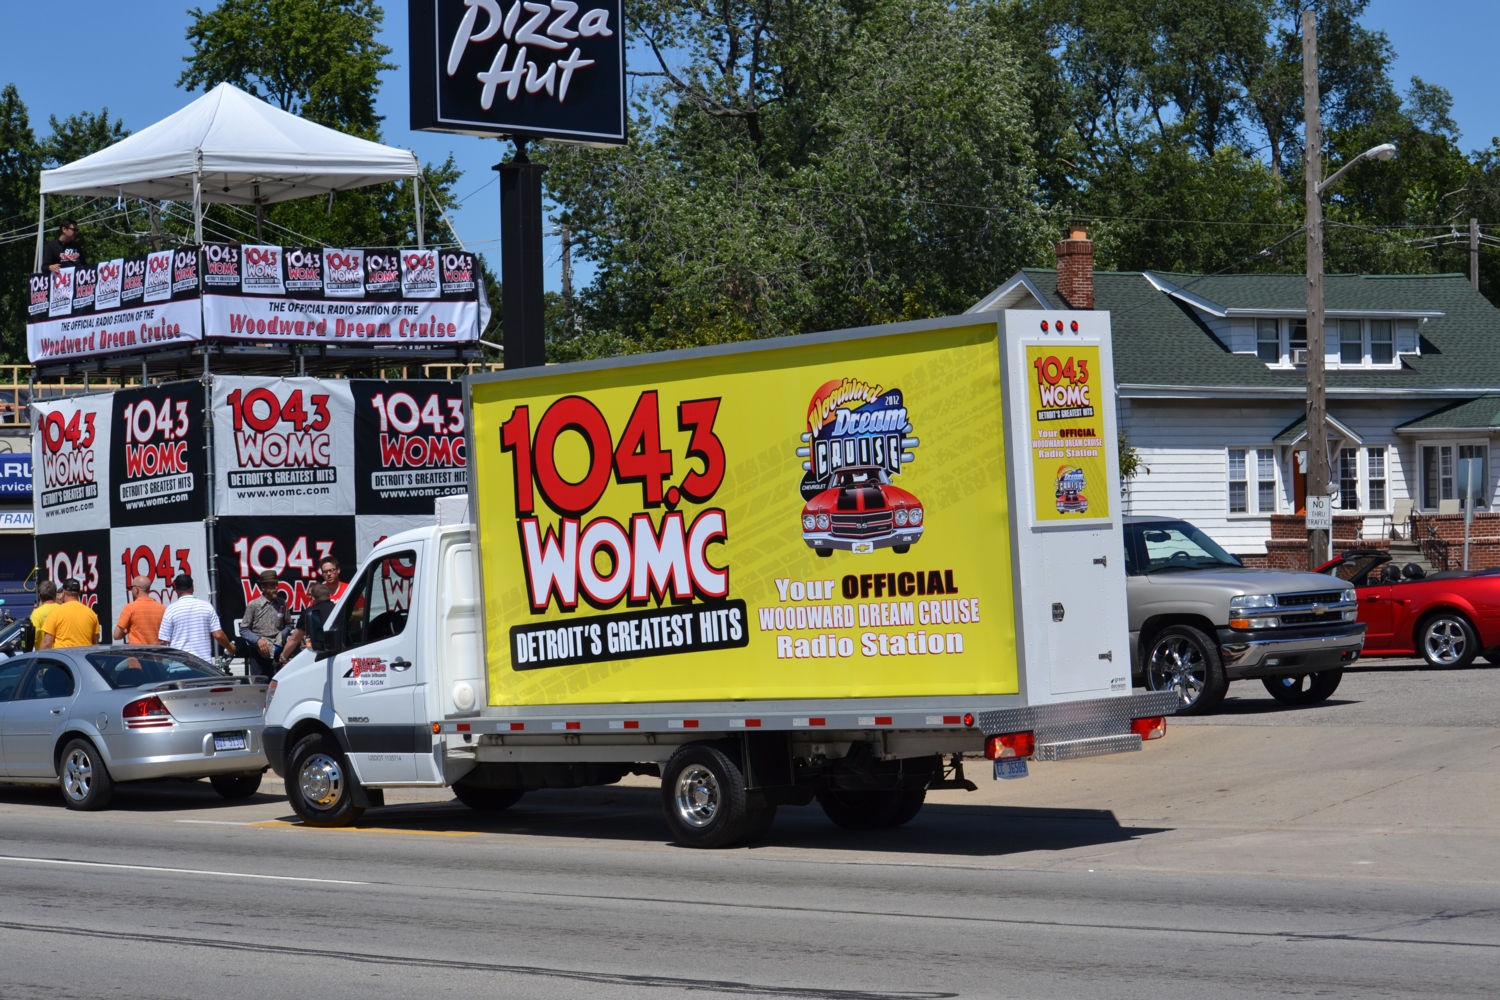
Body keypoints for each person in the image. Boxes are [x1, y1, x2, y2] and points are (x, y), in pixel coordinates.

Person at [158, 574, 234, 663]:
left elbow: (163, 642)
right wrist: (230, 648)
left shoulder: (171, 610)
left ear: (175, 589)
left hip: (179, 664)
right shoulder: (206, 606)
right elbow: (218, 635)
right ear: (193, 587)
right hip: (203, 665)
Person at [239, 569, 288, 674]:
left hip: (278, 652)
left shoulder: (282, 603)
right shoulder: (253, 605)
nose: (275, 588)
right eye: (272, 585)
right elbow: (244, 629)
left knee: (278, 685)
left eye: (276, 585)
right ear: (263, 587)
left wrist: (281, 637)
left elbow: (289, 625)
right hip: (259, 654)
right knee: (260, 685)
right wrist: (258, 641)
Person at [278, 582, 335, 668]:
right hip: (338, 654)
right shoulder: (337, 609)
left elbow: (294, 639)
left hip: (317, 656)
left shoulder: (310, 612)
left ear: (313, 598)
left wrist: (283, 657)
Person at [38, 580, 100, 649]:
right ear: (79, 593)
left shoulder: (55, 613)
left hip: (63, 658)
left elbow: (46, 644)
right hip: (82, 658)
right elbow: (96, 644)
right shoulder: (91, 614)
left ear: (64, 592)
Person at [114, 576, 165, 645]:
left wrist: (126, 631)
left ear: (136, 589)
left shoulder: (129, 608)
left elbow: (116, 636)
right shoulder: (162, 609)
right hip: (156, 653)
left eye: (131, 587)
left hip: (136, 653)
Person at [29, 580, 60, 649]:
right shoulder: (62, 609)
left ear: (39, 596)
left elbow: (33, 636)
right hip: (62, 655)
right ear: (55, 594)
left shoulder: (37, 613)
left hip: (45, 655)